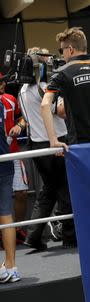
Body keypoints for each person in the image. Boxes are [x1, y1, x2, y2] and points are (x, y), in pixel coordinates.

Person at [19, 47, 73, 249]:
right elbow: (61, 112)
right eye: (44, 59)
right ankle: (70, 237)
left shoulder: (22, 89)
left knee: (48, 190)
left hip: (37, 143)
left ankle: (33, 236)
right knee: (64, 189)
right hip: (54, 142)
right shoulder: (44, 87)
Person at [0, 74, 28, 243]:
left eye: (2, 81)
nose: (2, 84)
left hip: (13, 153)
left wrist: (19, 125)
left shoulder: (10, 99)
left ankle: (16, 229)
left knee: (22, 193)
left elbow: (24, 118)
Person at [0, 100, 21, 283]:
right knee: (6, 215)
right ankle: (11, 267)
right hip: (5, 163)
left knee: (6, 215)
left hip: (4, 163)